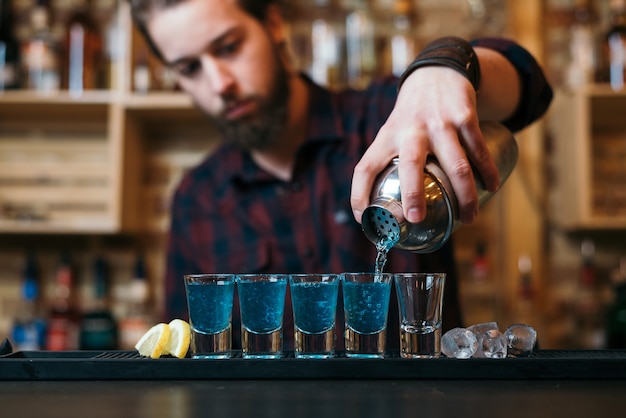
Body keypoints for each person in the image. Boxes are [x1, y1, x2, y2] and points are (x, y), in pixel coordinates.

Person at [127, 0, 553, 350]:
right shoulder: (197, 198)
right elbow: (180, 353)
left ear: (272, 24)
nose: (219, 84)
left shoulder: (387, 119)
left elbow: (530, 88)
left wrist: (443, 69)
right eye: (189, 69)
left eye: (228, 47)